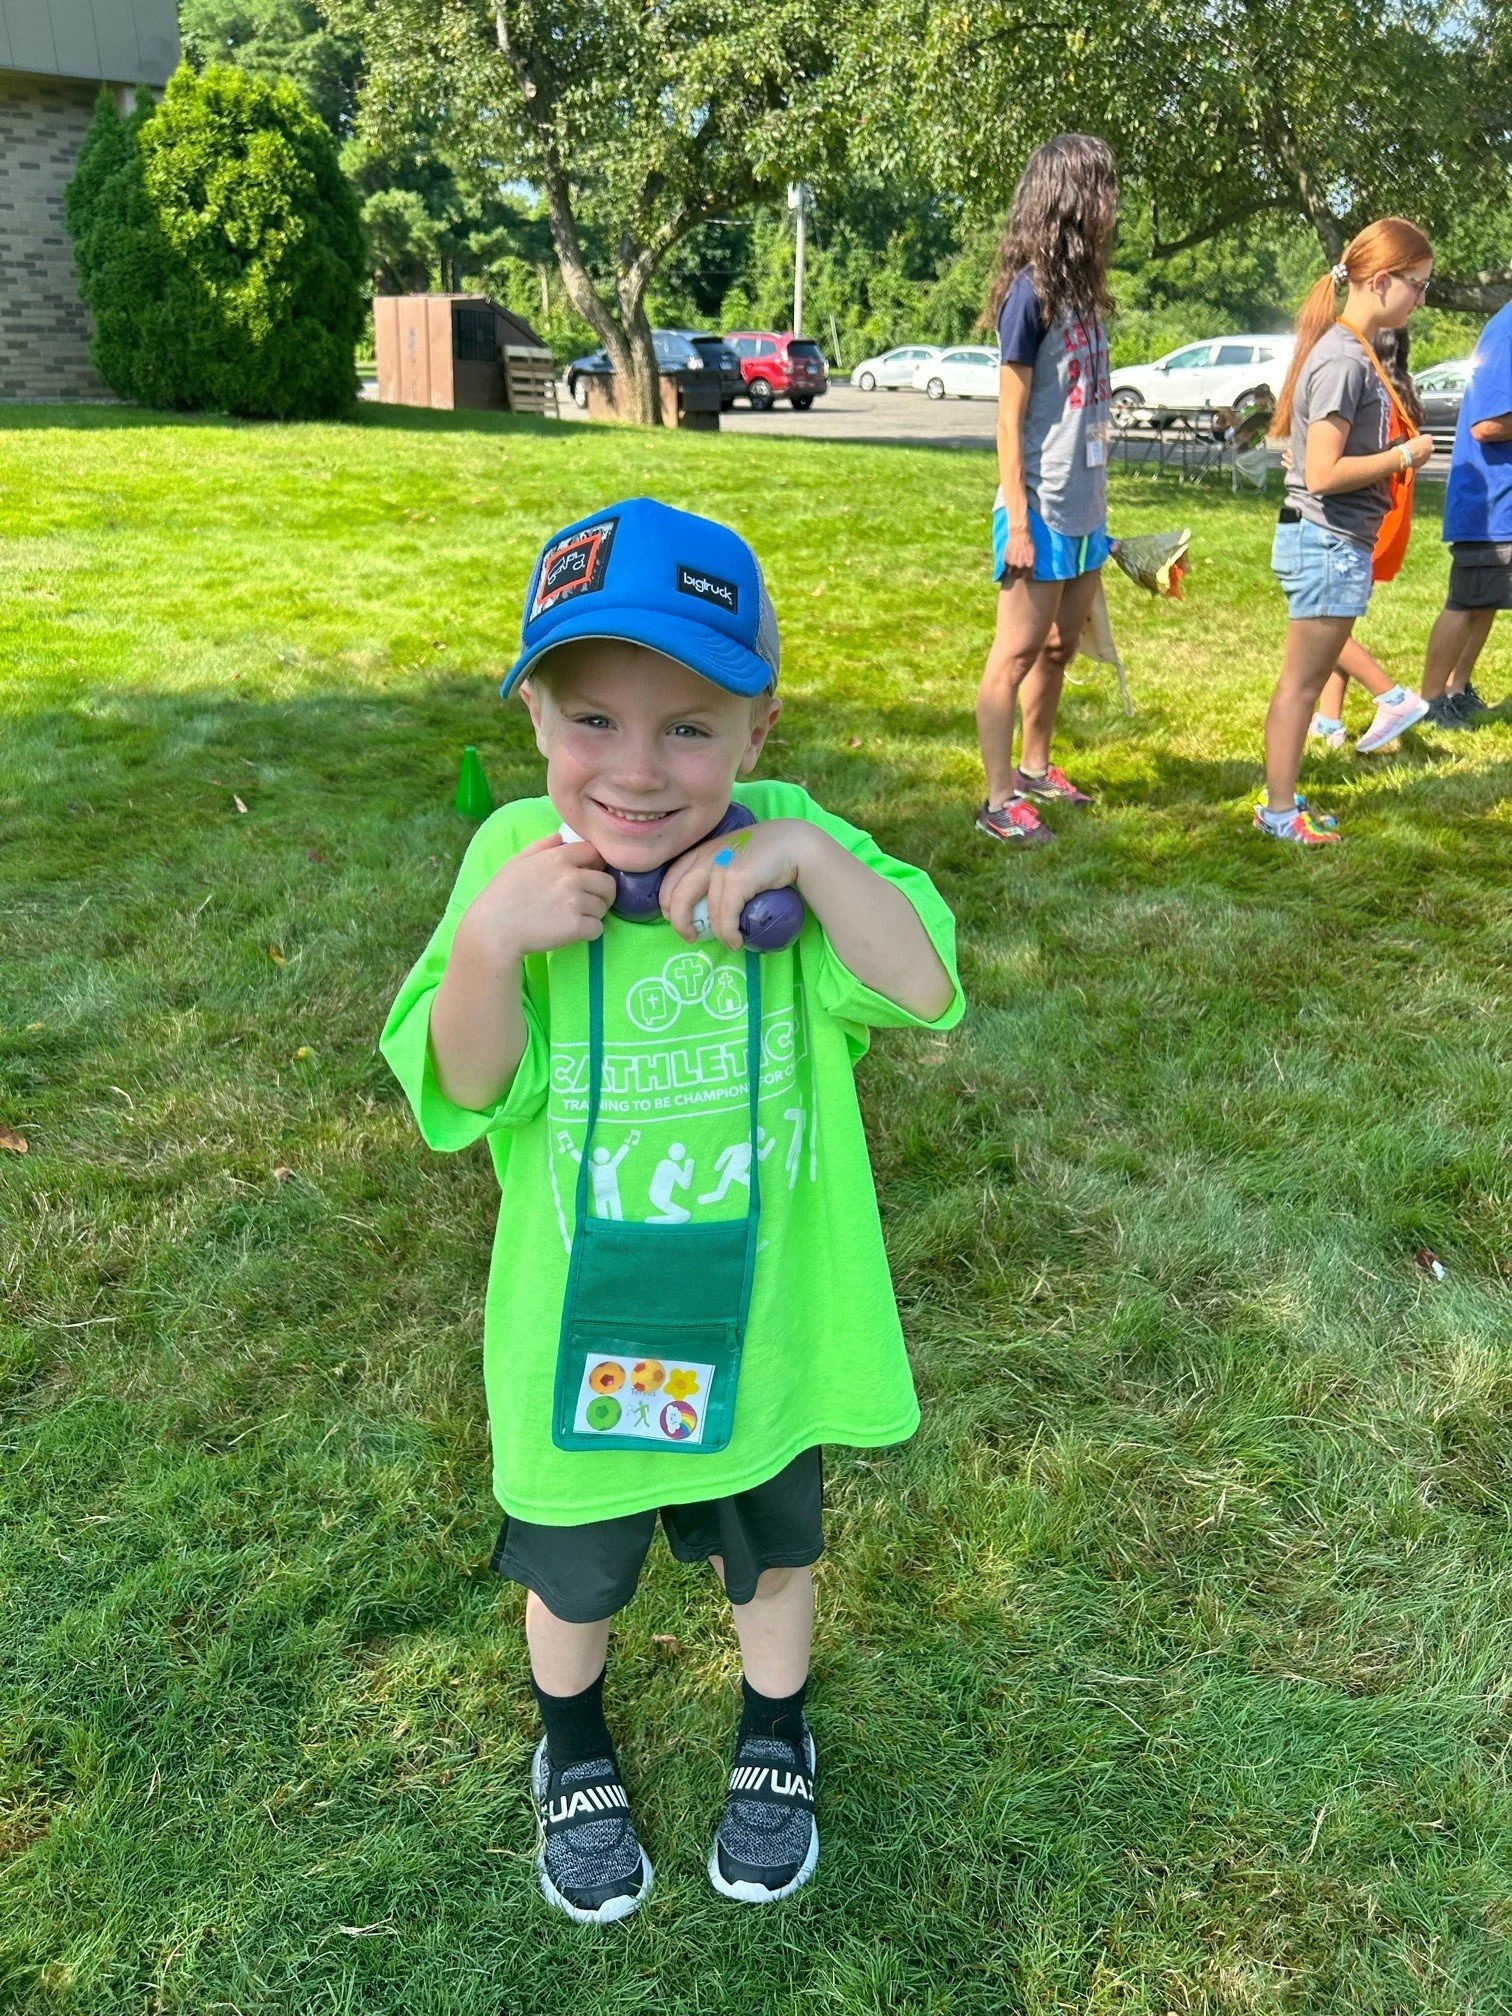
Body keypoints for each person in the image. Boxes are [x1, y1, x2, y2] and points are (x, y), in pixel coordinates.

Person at [381, 498, 963, 1924]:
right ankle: (570, 1745)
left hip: (762, 1328)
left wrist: (811, 866)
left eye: (689, 728)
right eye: (593, 720)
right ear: (533, 716)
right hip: (584, 1334)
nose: (638, 771)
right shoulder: (510, 862)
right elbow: (467, 1088)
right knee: (575, 1575)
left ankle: (776, 1732)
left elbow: (923, 988)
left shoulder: (795, 842)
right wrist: (490, 948)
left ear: (758, 733)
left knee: (774, 1557)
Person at [1258, 219, 1437, 842]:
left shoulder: (1353, 352)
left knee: (1304, 683)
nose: (1420, 300)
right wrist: (1403, 455)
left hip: (1333, 542)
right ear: (1381, 280)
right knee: (1300, 687)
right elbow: (1323, 473)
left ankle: (1283, 802)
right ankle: (1280, 813)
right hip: (1326, 541)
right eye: (1418, 285)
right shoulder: (1343, 359)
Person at [975, 132, 1117, 845]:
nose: (1113, 204)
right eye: (1104, 189)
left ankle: (1035, 768)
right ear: (1073, 199)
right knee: (1015, 657)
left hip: (1086, 510)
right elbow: (1008, 421)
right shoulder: (1027, 296)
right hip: (1039, 510)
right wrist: (1021, 523)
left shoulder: (1084, 294)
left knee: (1060, 649)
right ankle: (998, 802)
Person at [1307, 328, 1432, 754]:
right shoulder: (1400, 394)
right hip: (1384, 522)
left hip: (1357, 523)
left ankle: (1392, 697)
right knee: (1337, 619)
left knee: (1319, 624)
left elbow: (1344, 463)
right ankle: (1329, 720)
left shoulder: (1370, 393)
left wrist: (1306, 458)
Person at [1420, 297, 1512, 726]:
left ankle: (1457, 690)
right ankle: (1430, 701)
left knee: (1485, 601)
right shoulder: (1507, 332)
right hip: (1488, 503)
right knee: (1467, 601)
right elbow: (1486, 426)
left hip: (1501, 503)